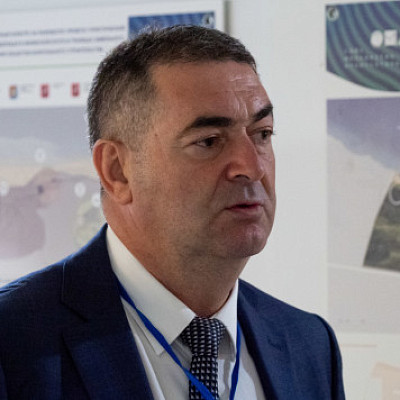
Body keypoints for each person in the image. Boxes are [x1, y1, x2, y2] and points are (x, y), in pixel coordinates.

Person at [0, 26, 345, 400]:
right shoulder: (13, 342)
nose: (252, 167)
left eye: (262, 134)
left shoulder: (309, 345)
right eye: (209, 141)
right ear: (117, 171)